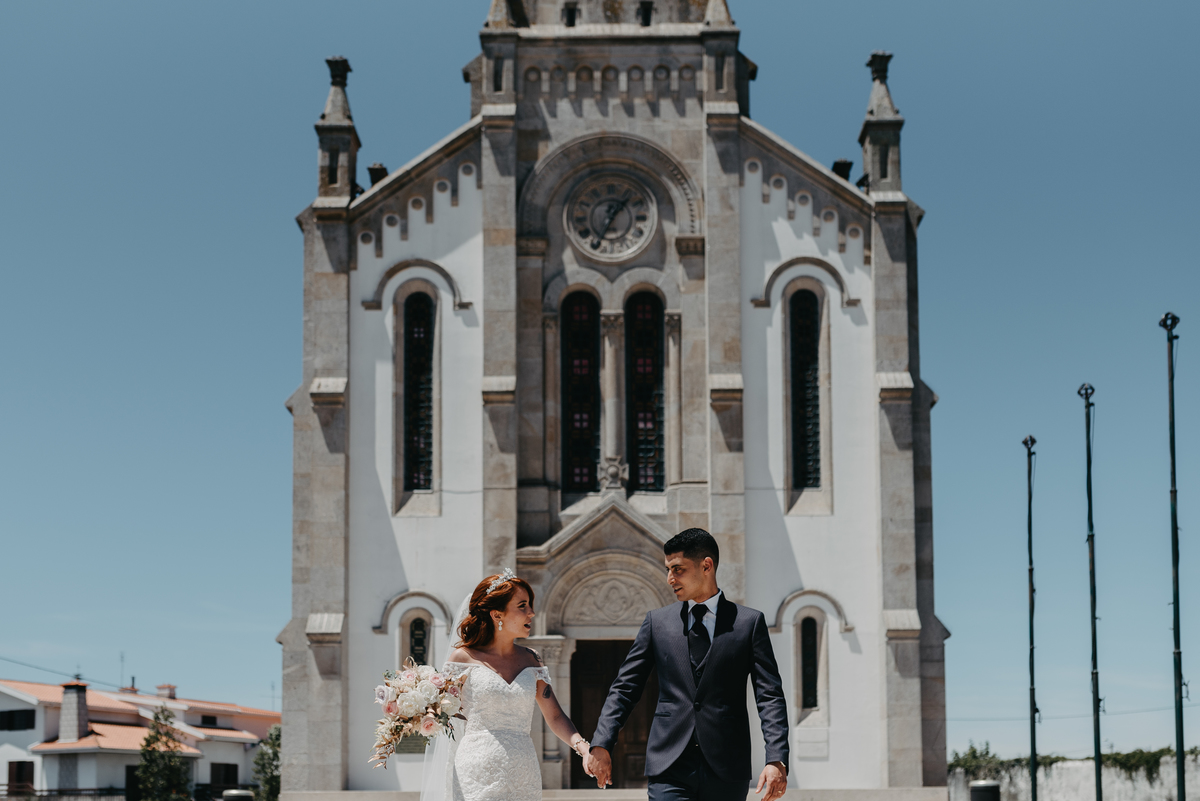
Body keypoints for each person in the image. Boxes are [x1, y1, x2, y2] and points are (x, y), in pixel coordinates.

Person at [583, 529, 790, 801]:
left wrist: (776, 759)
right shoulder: (658, 622)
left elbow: (769, 695)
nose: (670, 579)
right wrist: (601, 742)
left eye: (678, 569)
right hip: (669, 765)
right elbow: (625, 688)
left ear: (706, 565)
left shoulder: (748, 623)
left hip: (727, 767)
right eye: (668, 569)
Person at [435, 570, 591, 801]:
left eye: (530, 605)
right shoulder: (462, 658)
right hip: (477, 769)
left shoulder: (532, 659)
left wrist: (583, 748)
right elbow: (439, 711)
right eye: (522, 606)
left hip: (523, 770)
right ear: (497, 615)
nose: (532, 613)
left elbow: (556, 717)